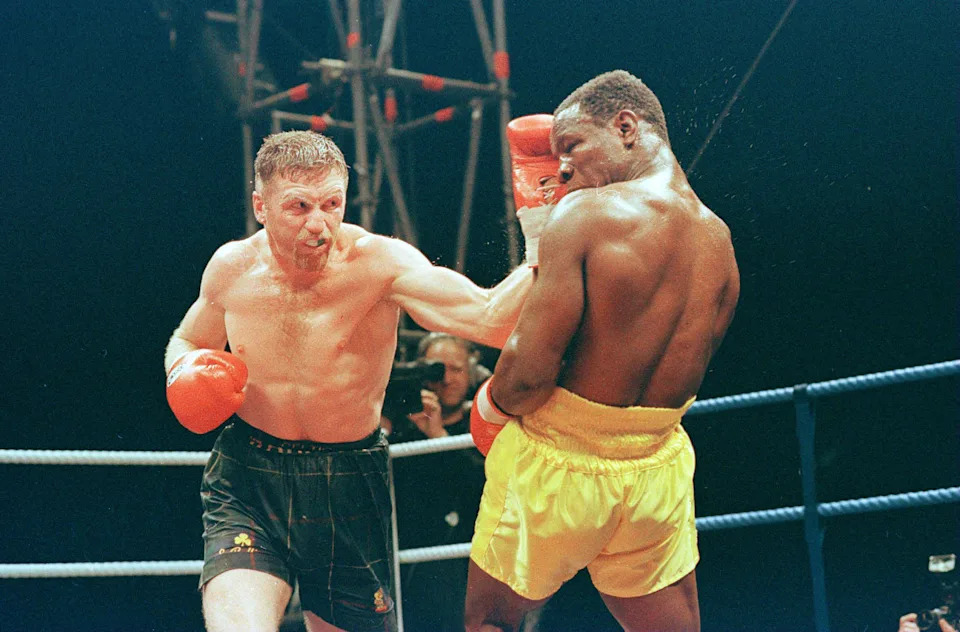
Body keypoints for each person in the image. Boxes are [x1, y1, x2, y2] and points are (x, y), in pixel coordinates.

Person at [163, 130, 548, 632]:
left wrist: (544, 230)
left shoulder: (380, 265)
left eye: (331, 203)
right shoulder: (231, 268)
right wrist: (184, 373)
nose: (318, 224)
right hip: (249, 476)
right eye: (298, 206)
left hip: (348, 478)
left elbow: (492, 319)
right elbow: (188, 339)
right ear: (261, 205)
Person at [466, 70, 741, 632]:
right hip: (656, 472)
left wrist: (489, 408)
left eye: (571, 146)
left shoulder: (584, 214)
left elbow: (526, 378)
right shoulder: (720, 240)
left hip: (557, 466)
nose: (561, 167)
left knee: (490, 622)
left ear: (625, 126)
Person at [387, 333, 488, 631]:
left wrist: (439, 437)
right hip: (413, 565)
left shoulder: (484, 424)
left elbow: (484, 490)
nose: (446, 379)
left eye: (456, 369)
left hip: (463, 565)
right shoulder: (401, 427)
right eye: (436, 368)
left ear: (471, 374)